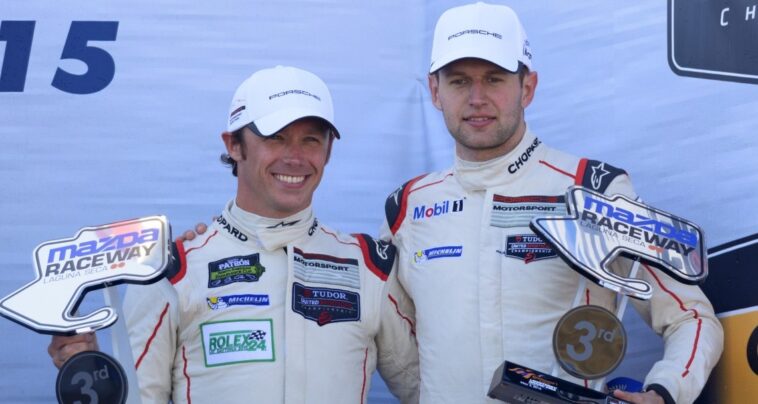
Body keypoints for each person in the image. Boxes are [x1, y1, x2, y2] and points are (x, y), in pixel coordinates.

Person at [379, 3, 722, 404]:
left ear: (528, 87)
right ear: (435, 91)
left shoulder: (593, 190)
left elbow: (691, 317)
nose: (477, 98)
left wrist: (665, 391)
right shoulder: (409, 207)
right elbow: (393, 344)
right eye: (459, 81)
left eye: (494, 79)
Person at [48, 65, 419, 403]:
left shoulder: (369, 267)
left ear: (329, 150)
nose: (295, 157)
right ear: (233, 145)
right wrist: (95, 377)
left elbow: (427, 388)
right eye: (276, 138)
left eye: (311, 139)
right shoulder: (172, 270)